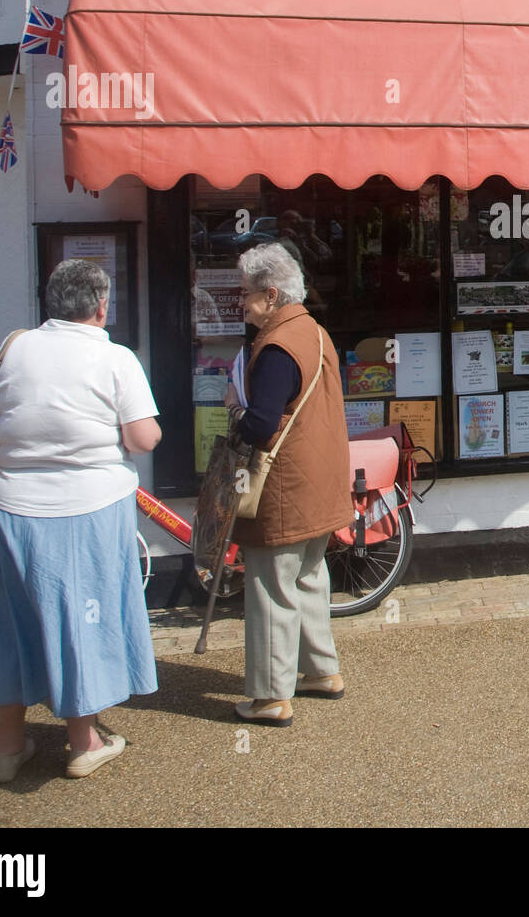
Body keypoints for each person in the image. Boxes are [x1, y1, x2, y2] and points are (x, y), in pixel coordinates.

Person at [0, 259, 161, 782]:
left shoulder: (11, 349)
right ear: (102, 306)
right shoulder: (114, 357)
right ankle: (84, 741)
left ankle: (6, 748)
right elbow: (143, 438)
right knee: (83, 618)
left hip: (13, 507)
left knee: (14, 624)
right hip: (90, 507)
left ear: (51, 302)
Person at [225, 242, 354, 725]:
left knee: (271, 588)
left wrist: (234, 410)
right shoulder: (315, 332)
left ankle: (270, 696)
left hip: (284, 485)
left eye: (247, 294)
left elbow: (260, 425)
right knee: (308, 578)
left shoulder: (276, 346)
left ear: (271, 294)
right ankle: (321, 671)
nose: (242, 303)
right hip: (319, 480)